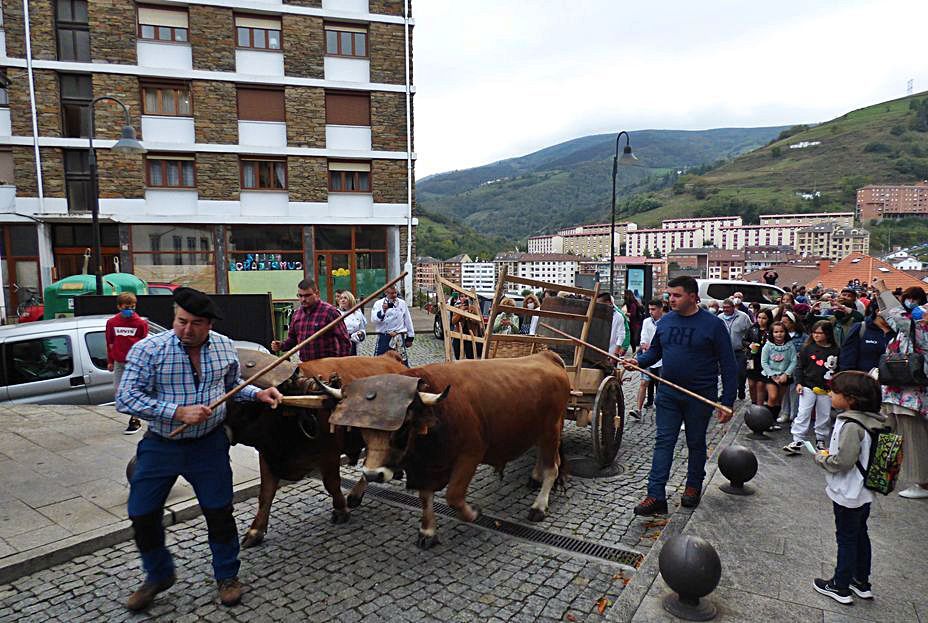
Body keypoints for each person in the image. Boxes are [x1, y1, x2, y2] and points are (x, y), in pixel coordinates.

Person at [116, 288, 283, 611]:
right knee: (141, 512)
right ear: (174, 316)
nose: (187, 330)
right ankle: (158, 574)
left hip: (209, 445)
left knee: (219, 511)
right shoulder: (148, 350)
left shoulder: (223, 347)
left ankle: (227, 576)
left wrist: (258, 394)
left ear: (209, 324)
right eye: (181, 321)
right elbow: (126, 398)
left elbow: (232, 388)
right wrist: (177, 412)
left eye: (196, 323)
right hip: (162, 444)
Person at [622, 276, 737, 515]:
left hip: (700, 396)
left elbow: (728, 364)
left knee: (695, 442)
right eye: (669, 295)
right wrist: (638, 361)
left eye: (676, 295)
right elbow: (654, 353)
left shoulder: (713, 325)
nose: (670, 299)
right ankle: (655, 495)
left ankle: (693, 486)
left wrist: (727, 401)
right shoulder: (665, 322)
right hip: (668, 394)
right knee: (663, 442)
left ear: (693, 297)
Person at [811, 371, 885, 605]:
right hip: (864, 491)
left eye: (835, 391)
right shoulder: (874, 420)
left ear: (851, 398)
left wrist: (822, 458)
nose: (831, 394)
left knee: (846, 537)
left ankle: (840, 585)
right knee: (860, 534)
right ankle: (861, 581)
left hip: (848, 491)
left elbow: (843, 461)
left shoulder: (851, 424)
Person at [877, 285, 928, 499]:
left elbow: (899, 317)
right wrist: (881, 296)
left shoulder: (919, 327)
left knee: (912, 436)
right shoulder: (909, 327)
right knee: (893, 432)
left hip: (912, 395)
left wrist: (885, 292)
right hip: (897, 391)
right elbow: (889, 316)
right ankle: (884, 473)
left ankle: (920, 482)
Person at [785, 320, 840, 454]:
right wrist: (799, 382)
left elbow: (838, 369)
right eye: (814, 333)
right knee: (803, 412)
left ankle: (820, 439)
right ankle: (797, 439)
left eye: (820, 333)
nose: (816, 336)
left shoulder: (836, 350)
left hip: (826, 388)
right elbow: (800, 367)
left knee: (824, 414)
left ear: (827, 334)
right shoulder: (807, 348)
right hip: (808, 385)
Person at [271, 279, 351, 361]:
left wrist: (340, 365)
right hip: (306, 366)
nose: (303, 299)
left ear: (317, 294)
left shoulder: (330, 312)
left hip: (327, 366)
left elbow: (344, 341)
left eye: (307, 295)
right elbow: (292, 339)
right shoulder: (297, 314)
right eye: (300, 296)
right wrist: (281, 345)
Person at [106, 292, 149, 434]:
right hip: (119, 361)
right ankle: (135, 414)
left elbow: (145, 344)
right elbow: (110, 343)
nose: (130, 310)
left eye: (133, 307)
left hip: (135, 363)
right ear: (119, 307)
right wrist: (110, 361)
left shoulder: (140, 323)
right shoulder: (112, 323)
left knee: (133, 390)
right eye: (127, 307)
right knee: (119, 390)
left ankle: (135, 419)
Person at [629, 299, 664, 420]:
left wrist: (654, 347)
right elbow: (643, 337)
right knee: (644, 382)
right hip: (647, 357)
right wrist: (644, 344)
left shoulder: (665, 322)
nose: (650, 312)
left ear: (661, 309)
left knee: (661, 385)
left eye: (653, 309)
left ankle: (661, 410)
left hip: (661, 359)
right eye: (649, 309)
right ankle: (638, 409)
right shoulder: (646, 322)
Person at [837, 305, 894, 374]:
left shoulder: (900, 331)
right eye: (890, 312)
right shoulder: (861, 328)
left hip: (891, 381)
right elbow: (847, 359)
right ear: (878, 311)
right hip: (863, 380)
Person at [761, 320, 797, 424]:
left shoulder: (790, 346)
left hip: (784, 375)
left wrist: (786, 374)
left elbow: (793, 361)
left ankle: (773, 421)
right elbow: (764, 361)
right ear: (772, 333)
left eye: (781, 331)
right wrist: (772, 374)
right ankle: (766, 421)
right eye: (776, 332)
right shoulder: (768, 346)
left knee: (779, 399)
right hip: (771, 375)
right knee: (773, 396)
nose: (779, 334)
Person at [718, 298, 752, 401]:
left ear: (733, 307)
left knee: (740, 373)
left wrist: (747, 344)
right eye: (723, 308)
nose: (725, 310)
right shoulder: (719, 318)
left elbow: (750, 331)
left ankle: (741, 388)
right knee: (725, 373)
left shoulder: (743, 317)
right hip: (725, 351)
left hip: (740, 350)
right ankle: (725, 393)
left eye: (728, 307)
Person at [370, 285, 415, 360]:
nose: (394, 295)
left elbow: (408, 320)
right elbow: (374, 319)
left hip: (398, 336)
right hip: (384, 337)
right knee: (380, 361)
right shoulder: (378, 304)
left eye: (395, 293)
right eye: (391, 293)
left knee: (401, 361)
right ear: (386, 293)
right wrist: (383, 311)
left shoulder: (402, 303)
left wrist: (410, 337)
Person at [780, 310, 806, 424]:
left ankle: (794, 414)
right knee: (784, 391)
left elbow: (806, 351)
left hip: (796, 367)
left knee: (794, 391)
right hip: (783, 366)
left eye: (786, 322)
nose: (783, 324)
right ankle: (785, 412)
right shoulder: (781, 335)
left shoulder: (802, 337)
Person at [744, 308, 772, 406]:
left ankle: (759, 406)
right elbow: (744, 340)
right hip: (751, 358)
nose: (761, 320)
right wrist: (749, 345)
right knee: (751, 384)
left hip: (764, 360)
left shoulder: (771, 330)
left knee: (760, 384)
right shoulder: (752, 328)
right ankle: (753, 402)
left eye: (764, 318)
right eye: (759, 317)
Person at [337, 290, 367, 356]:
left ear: (350, 300)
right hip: (341, 344)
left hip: (354, 343)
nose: (342, 300)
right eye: (341, 298)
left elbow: (362, 328)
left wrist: (360, 334)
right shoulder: (336, 313)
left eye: (345, 298)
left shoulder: (358, 314)